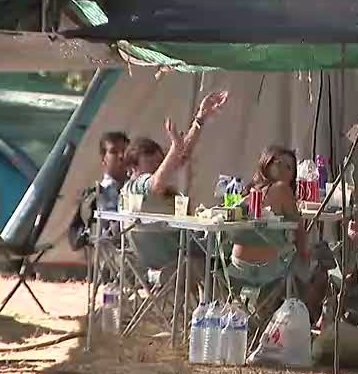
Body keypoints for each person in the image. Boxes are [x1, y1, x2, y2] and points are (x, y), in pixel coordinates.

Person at [121, 91, 228, 285]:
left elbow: (179, 158)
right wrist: (174, 148)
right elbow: (156, 183)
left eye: (160, 164)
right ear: (132, 168)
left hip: (179, 254)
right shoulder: (133, 189)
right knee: (226, 258)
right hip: (171, 262)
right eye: (153, 165)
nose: (160, 169)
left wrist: (200, 120)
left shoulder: (154, 187)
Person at [229, 145, 320, 342]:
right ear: (266, 164)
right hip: (269, 271)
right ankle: (308, 324)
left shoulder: (248, 192)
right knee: (316, 262)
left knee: (303, 262)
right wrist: (305, 253)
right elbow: (299, 229)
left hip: (236, 270)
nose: (284, 170)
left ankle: (262, 317)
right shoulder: (281, 189)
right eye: (279, 163)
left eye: (289, 167)